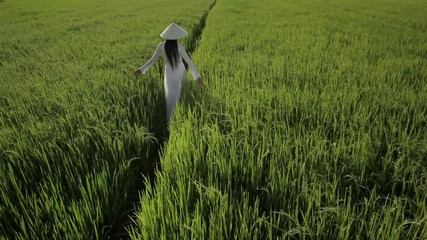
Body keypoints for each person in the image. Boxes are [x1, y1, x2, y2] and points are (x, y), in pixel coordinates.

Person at [135, 23, 204, 122]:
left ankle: (170, 121)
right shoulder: (180, 47)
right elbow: (190, 62)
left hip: (169, 75)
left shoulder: (161, 46)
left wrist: (141, 70)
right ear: (177, 37)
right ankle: (182, 118)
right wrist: (198, 77)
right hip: (180, 72)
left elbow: (152, 60)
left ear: (166, 36)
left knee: (170, 98)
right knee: (181, 95)